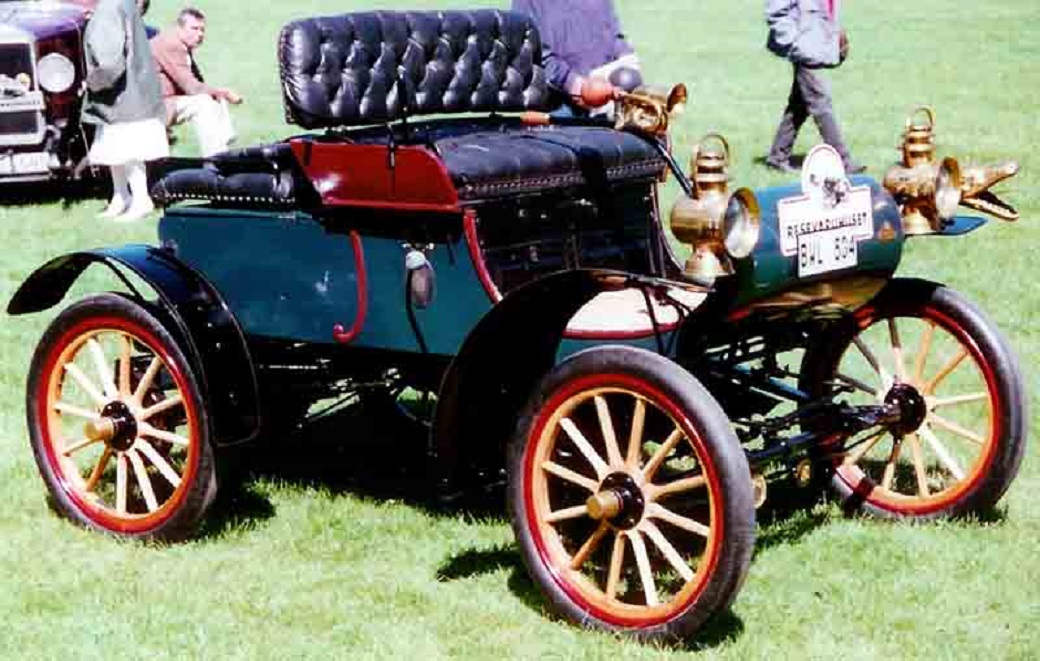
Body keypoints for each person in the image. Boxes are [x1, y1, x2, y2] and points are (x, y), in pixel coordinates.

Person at [81, 0, 169, 221]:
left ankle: (141, 200)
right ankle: (121, 197)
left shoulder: (109, 8)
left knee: (129, 151)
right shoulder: (123, 3)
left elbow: (110, 63)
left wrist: (92, 82)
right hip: (132, 89)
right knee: (115, 149)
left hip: (123, 93)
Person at [764, 0, 865, 174]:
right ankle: (843, 161)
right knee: (820, 102)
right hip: (803, 51)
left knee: (799, 106)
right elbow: (775, 13)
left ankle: (777, 157)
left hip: (815, 48)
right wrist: (796, 43)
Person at [511, 0, 642, 115]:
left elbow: (610, 28)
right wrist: (571, 83)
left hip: (609, 93)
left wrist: (625, 55)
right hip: (562, 105)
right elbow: (530, 47)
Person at [150, 7, 243, 157]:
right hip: (153, 108)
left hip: (162, 102)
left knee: (209, 97)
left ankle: (224, 146)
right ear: (179, 28)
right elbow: (191, 87)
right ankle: (217, 158)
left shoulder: (179, 42)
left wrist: (217, 94)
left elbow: (197, 82)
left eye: (202, 30)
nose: (200, 34)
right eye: (194, 28)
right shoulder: (172, 44)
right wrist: (224, 93)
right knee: (202, 103)